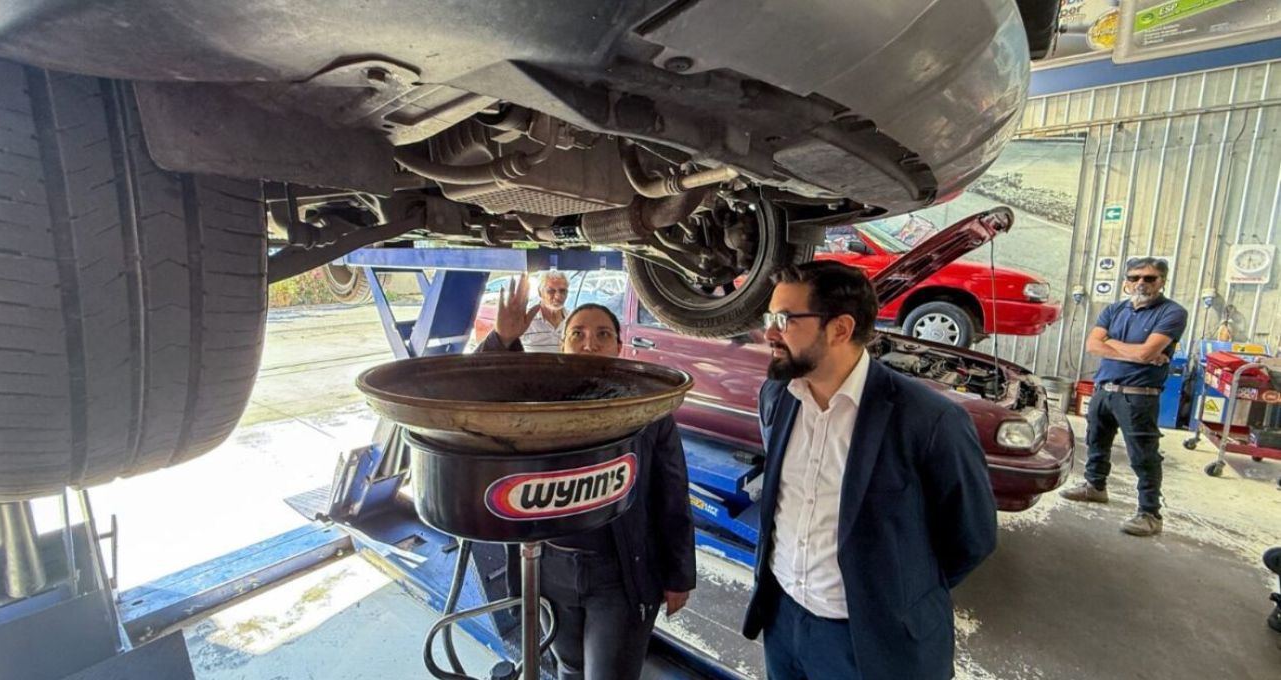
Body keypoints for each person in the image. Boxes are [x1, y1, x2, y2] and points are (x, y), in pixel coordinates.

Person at [741, 260, 998, 680]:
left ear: (840, 329)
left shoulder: (928, 419)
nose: (769, 333)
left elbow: (972, 538)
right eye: (770, 318)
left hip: (872, 642)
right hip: (783, 620)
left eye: (784, 319)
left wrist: (896, 597)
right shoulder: (777, 395)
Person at [480, 275, 695, 680]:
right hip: (551, 571)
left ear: (619, 347)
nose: (589, 344)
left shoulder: (649, 412)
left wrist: (679, 574)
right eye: (577, 334)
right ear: (562, 345)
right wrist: (501, 340)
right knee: (569, 669)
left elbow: (672, 495)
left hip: (621, 575)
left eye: (602, 335)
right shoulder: (538, 404)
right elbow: (478, 397)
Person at [1061, 257, 1187, 537]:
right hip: (1104, 390)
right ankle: (1095, 487)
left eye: (1149, 278)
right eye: (1134, 277)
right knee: (1096, 442)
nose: (1140, 283)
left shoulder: (1172, 313)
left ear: (1162, 281)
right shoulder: (1114, 309)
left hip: (1138, 397)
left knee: (1143, 456)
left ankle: (1150, 513)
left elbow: (1145, 353)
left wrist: (1114, 344)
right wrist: (1134, 350)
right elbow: (1093, 345)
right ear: (1126, 282)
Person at [517, 270, 570, 352]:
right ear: (540, 292)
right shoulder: (525, 320)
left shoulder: (573, 319)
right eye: (551, 291)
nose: (558, 296)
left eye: (562, 291)